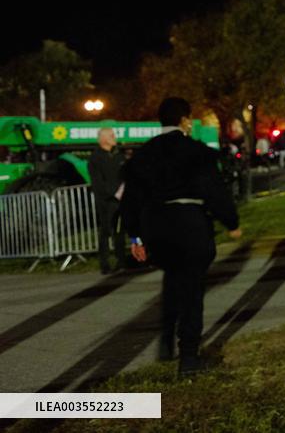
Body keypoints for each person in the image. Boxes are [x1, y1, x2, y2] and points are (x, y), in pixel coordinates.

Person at [121, 97, 241, 375]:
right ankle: (189, 357)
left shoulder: (144, 155)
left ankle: (165, 343)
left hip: (157, 228)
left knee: (173, 279)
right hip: (189, 225)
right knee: (191, 290)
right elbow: (213, 189)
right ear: (185, 120)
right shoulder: (195, 152)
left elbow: (131, 199)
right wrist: (230, 221)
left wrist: (135, 237)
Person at [87, 127, 127, 274]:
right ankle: (104, 264)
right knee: (106, 232)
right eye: (111, 135)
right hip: (106, 201)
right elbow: (98, 182)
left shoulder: (118, 155)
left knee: (119, 232)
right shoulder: (95, 158)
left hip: (120, 200)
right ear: (103, 139)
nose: (114, 137)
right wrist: (114, 193)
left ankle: (121, 261)